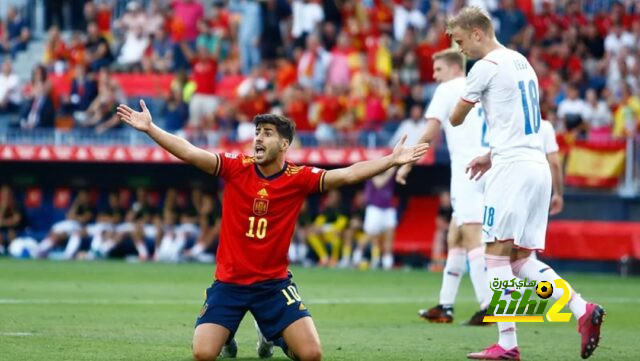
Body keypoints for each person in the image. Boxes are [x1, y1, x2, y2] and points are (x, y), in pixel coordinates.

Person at [116, 101, 428, 361]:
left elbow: (346, 175)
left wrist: (391, 160)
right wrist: (151, 129)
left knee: (311, 355)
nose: (258, 139)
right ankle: (227, 334)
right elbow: (190, 152)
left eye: (267, 134)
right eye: (257, 133)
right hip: (230, 283)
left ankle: (269, 334)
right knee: (203, 354)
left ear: (284, 144)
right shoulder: (236, 166)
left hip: (273, 285)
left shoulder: (298, 177)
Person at [446, 7, 604, 360]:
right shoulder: (520, 61)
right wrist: (491, 152)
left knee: (495, 256)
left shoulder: (485, 66)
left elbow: (455, 118)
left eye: (460, 41)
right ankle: (582, 310)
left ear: (477, 32)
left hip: (513, 171)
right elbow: (516, 115)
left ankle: (507, 344)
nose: (461, 50)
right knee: (520, 260)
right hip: (535, 166)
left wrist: (462, 95)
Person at [396, 48, 492, 325]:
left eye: (437, 70)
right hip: (492, 165)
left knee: (473, 235)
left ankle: (489, 305)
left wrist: (407, 163)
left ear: (452, 68)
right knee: (456, 235)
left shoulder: (449, 89)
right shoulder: (482, 88)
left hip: (468, 171)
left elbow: (429, 132)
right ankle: (445, 306)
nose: (435, 77)